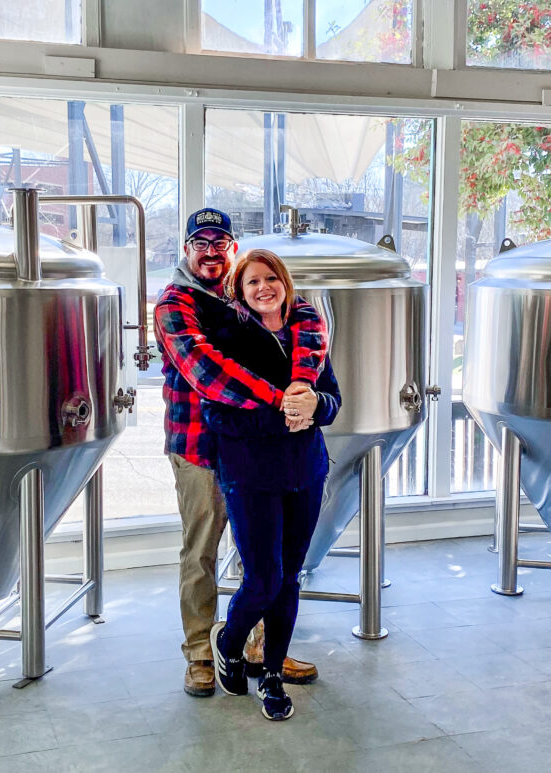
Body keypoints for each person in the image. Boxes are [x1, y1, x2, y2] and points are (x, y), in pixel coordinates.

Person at [154, 208, 327, 698]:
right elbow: (206, 370)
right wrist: (284, 401)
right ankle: (200, 656)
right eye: (201, 241)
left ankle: (260, 647)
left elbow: (301, 330)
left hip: (255, 452)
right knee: (202, 553)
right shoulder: (175, 302)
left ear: (232, 248)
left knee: (264, 558)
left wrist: (305, 390)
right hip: (200, 449)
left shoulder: (244, 297)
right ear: (186, 249)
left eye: (221, 241)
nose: (211, 250)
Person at [204, 249, 341, 721]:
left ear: (284, 282)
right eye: (252, 282)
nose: (263, 287)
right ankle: (230, 639)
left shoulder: (308, 338)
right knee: (262, 580)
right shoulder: (229, 339)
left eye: (271, 278)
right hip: (251, 477)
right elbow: (216, 413)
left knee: (288, 580)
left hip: (306, 473)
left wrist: (315, 406)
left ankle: (274, 675)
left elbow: (333, 401)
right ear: (240, 292)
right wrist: (283, 416)